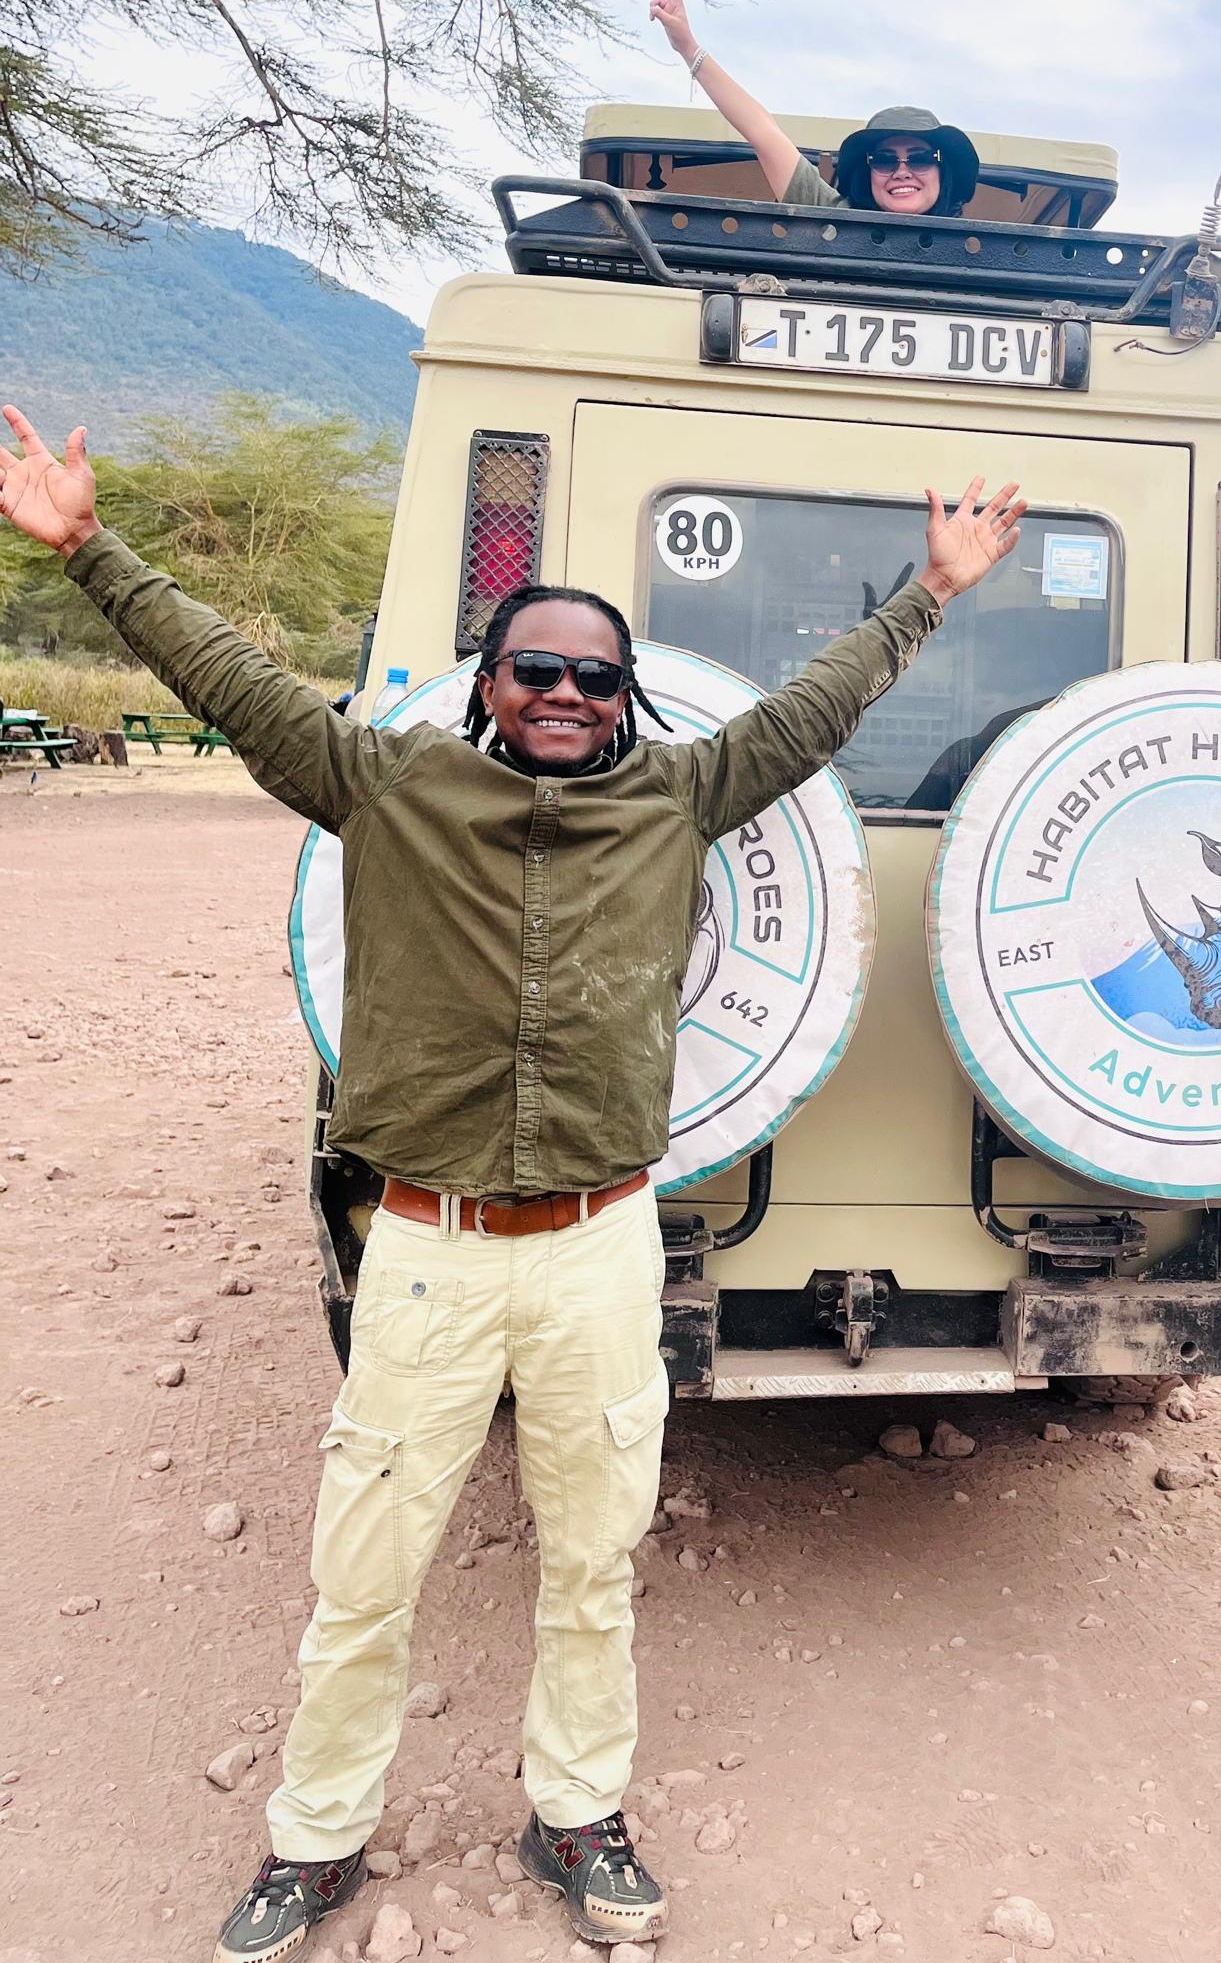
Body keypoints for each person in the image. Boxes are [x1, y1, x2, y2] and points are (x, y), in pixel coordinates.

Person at [0, 402, 1023, 1963]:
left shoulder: (678, 798)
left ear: (624, 701)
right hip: (429, 1245)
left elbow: (813, 713)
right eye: (535, 668)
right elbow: (231, 679)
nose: (562, 692)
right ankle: (317, 1839)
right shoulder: (389, 785)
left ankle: (579, 1813)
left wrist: (933, 592)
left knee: (595, 1557)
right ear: (490, 684)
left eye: (593, 675)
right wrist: (88, 550)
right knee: (368, 1568)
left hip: (602, 1247)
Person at [648, 0, 980, 217]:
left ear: (942, 168)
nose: (902, 171)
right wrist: (688, 47)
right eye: (884, 160)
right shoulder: (836, 219)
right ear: (868, 171)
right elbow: (762, 132)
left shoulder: (979, 251)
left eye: (921, 158)